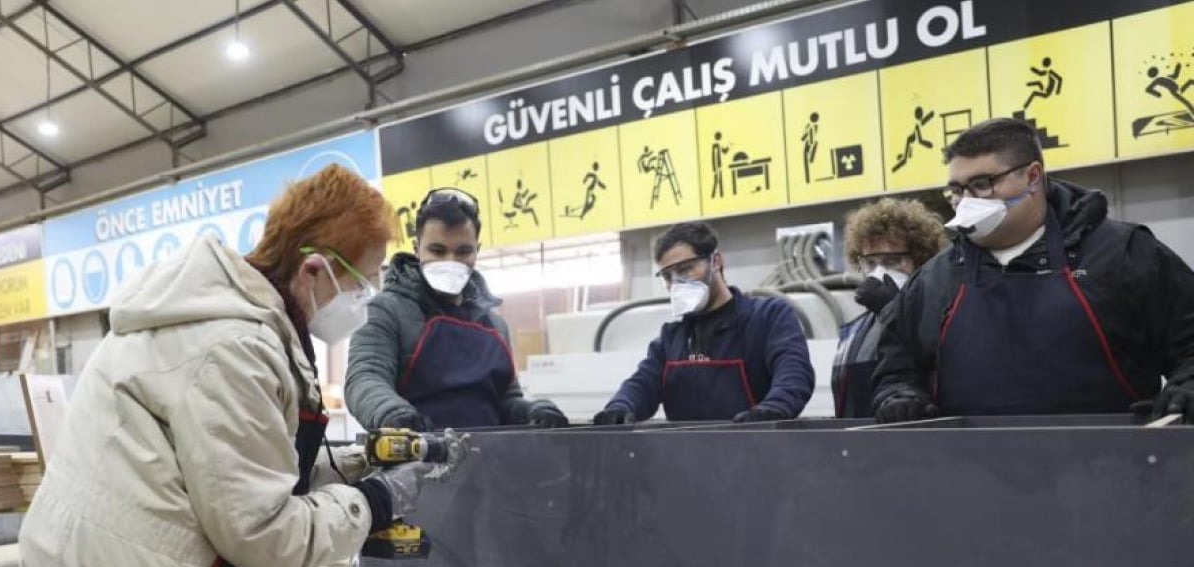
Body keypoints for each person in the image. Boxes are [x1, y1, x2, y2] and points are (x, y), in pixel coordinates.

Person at [0, 165, 470, 567]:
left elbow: (236, 471)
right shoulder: (231, 347)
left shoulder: (222, 321)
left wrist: (356, 466)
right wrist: (377, 500)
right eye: (361, 285)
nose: (363, 302)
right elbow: (264, 532)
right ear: (315, 269)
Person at [873, 117, 1194, 423]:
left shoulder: (1123, 254)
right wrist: (899, 396)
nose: (965, 201)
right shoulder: (934, 280)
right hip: (970, 470)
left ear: (1032, 177)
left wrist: (1187, 387)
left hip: (1110, 466)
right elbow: (896, 368)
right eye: (956, 190)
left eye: (982, 184)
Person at [345, 187, 568, 433]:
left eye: (463, 251)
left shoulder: (495, 326)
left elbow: (505, 400)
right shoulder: (386, 310)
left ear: (477, 251)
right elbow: (365, 378)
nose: (450, 261)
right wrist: (394, 415)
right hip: (415, 463)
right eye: (437, 250)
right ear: (417, 248)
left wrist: (534, 411)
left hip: (491, 460)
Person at [593, 221, 814, 425]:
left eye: (685, 269)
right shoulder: (672, 338)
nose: (676, 283)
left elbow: (794, 373)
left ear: (715, 262)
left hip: (757, 455)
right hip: (689, 460)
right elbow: (642, 384)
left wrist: (774, 409)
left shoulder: (768, 317)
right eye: (668, 277)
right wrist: (619, 407)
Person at [832, 198, 947, 418]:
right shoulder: (852, 332)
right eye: (871, 263)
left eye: (892, 261)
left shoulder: (936, 321)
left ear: (920, 260)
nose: (879, 272)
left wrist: (894, 310)